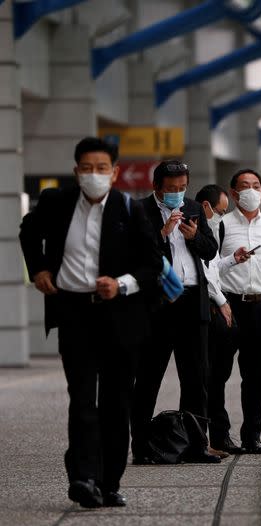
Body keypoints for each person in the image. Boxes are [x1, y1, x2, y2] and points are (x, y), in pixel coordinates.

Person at [18, 137, 162, 508]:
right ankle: (82, 477)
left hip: (119, 317)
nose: (94, 175)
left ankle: (109, 482)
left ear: (114, 173)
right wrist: (39, 269)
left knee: (116, 402)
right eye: (87, 168)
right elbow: (28, 231)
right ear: (76, 171)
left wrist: (122, 284)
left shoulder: (130, 209)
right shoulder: (56, 203)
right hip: (74, 313)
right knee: (81, 399)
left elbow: (152, 265)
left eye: (102, 168)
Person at [130, 160, 220, 464]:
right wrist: (163, 233)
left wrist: (195, 236)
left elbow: (211, 250)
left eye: (182, 188)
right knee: (148, 377)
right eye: (171, 189)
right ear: (157, 187)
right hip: (159, 304)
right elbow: (135, 254)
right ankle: (141, 447)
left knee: (196, 378)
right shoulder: (140, 211)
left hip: (193, 301)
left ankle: (197, 444)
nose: (177, 194)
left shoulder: (193, 208)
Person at [218, 169, 261, 454]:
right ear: (233, 193)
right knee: (217, 373)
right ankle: (219, 437)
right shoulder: (221, 224)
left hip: (258, 305)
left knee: (255, 375)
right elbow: (212, 265)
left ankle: (252, 436)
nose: (251, 190)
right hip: (227, 306)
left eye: (256, 185)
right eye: (245, 186)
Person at [194, 184, 251, 455]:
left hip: (218, 309)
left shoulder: (211, 230)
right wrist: (223, 302)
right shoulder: (192, 230)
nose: (222, 215)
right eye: (220, 210)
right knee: (208, 378)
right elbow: (201, 276)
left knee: (218, 377)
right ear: (206, 206)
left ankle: (218, 436)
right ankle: (206, 439)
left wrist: (232, 260)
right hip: (209, 310)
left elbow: (213, 267)